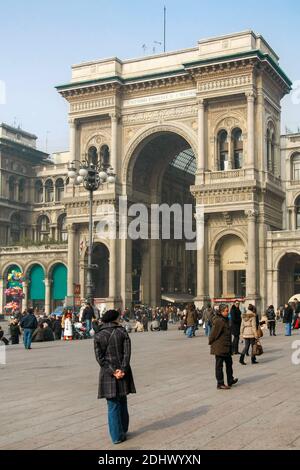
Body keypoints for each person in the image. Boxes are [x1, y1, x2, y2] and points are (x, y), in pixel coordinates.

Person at [94, 309, 136, 444]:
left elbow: (100, 359)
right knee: (122, 400)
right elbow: (127, 354)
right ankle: (123, 430)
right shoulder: (122, 332)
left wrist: (113, 371)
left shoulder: (98, 335)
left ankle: (117, 437)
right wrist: (122, 369)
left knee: (112, 405)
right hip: (123, 372)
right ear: (115, 319)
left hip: (108, 374)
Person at [209, 304, 238, 390]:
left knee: (229, 363)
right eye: (226, 311)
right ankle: (220, 383)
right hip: (220, 347)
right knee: (219, 365)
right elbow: (213, 334)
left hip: (226, 346)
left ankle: (230, 379)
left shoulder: (225, 319)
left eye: (228, 310)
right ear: (221, 311)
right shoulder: (219, 321)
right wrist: (211, 342)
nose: (228, 312)